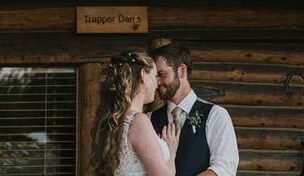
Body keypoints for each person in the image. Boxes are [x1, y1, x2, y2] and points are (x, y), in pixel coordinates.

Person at [150, 43, 239, 176]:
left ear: (181, 71)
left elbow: (224, 168)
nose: (157, 82)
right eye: (154, 76)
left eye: (161, 74)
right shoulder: (149, 119)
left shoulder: (215, 115)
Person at [92, 50, 182, 176]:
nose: (157, 83)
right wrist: (172, 151)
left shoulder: (116, 121)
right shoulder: (138, 121)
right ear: (144, 75)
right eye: (155, 75)